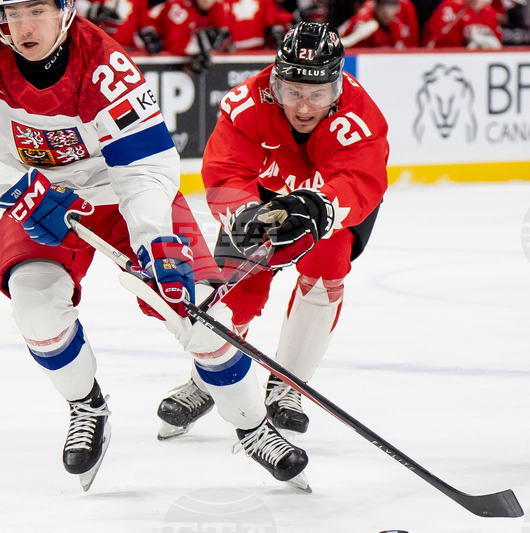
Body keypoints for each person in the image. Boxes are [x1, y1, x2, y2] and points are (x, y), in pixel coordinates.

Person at [0, 0, 309, 491]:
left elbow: (144, 168)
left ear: (65, 6)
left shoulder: (105, 64)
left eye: (37, 10)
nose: (23, 26)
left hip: (121, 192)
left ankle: (252, 426)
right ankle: (87, 406)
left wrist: (155, 240)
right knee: (34, 305)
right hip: (36, 194)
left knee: (198, 310)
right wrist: (18, 189)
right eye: (11, 12)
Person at [155, 22, 389, 441]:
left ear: (337, 88)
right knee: (236, 286)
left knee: (326, 271)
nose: (304, 107)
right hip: (264, 196)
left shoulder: (360, 116)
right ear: (275, 84)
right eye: (293, 92)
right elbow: (225, 171)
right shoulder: (247, 104)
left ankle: (289, 386)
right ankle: (208, 378)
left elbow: (361, 179)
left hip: (329, 204)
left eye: (317, 94)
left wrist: (320, 208)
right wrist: (245, 216)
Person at [160, 0, 231, 64]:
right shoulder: (179, 5)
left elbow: (223, 34)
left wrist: (222, 43)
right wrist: (199, 46)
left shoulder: (218, 3)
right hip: (146, 43)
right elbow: (172, 44)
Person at [422, 0, 502, 47]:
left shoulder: (490, 13)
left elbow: (498, 42)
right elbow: (443, 39)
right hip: (453, 54)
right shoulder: (451, 5)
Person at [339, 0, 418, 48]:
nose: (390, 12)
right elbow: (344, 43)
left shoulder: (394, 24)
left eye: (393, 7)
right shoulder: (365, 22)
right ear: (377, 7)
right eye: (385, 7)